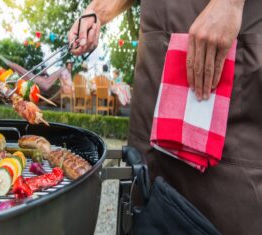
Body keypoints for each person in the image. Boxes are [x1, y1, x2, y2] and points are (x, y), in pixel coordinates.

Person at [68, 0, 262, 234]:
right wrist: (97, 11)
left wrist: (229, 4)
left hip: (230, 38)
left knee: (226, 210)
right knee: (143, 199)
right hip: (155, 57)